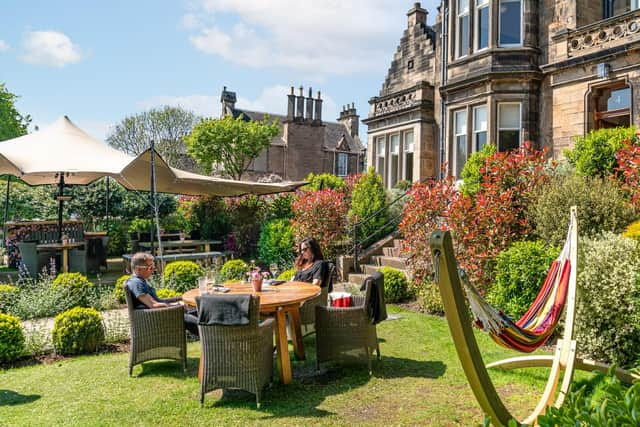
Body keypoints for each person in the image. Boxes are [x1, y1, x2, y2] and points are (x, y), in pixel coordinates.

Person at [125, 252, 199, 337]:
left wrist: (178, 300)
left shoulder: (140, 281)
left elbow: (157, 301)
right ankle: (212, 339)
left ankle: (211, 343)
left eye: (153, 267)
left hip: (163, 314)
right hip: (158, 319)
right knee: (201, 324)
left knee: (200, 312)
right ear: (138, 269)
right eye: (150, 267)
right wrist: (178, 306)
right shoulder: (136, 283)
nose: (153, 270)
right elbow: (154, 305)